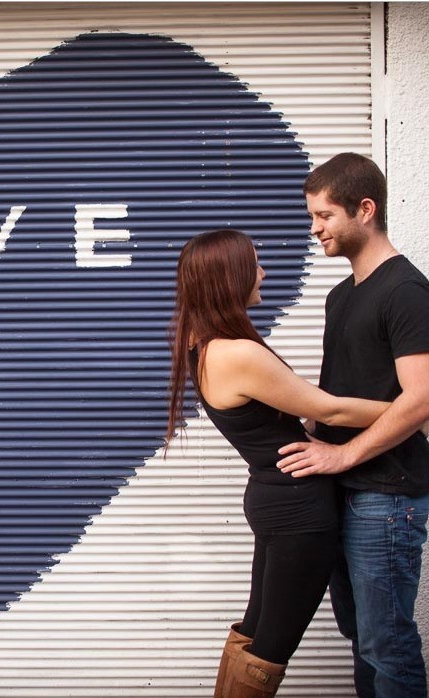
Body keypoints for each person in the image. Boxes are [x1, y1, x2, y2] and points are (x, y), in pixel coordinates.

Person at [166, 228, 390, 698]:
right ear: (230, 278)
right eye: (254, 264)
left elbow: (293, 415)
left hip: (276, 501)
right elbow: (328, 409)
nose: (263, 271)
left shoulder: (201, 344)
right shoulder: (238, 353)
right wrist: (414, 411)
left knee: (255, 628)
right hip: (297, 511)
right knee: (270, 647)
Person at [277, 152, 429, 698]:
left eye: (324, 216)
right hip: (345, 493)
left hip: (386, 496)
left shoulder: (405, 291)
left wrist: (342, 454)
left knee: (386, 645)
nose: (315, 229)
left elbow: (423, 398)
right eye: (312, 217)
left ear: (365, 210)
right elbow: (341, 393)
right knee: (362, 637)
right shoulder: (342, 296)